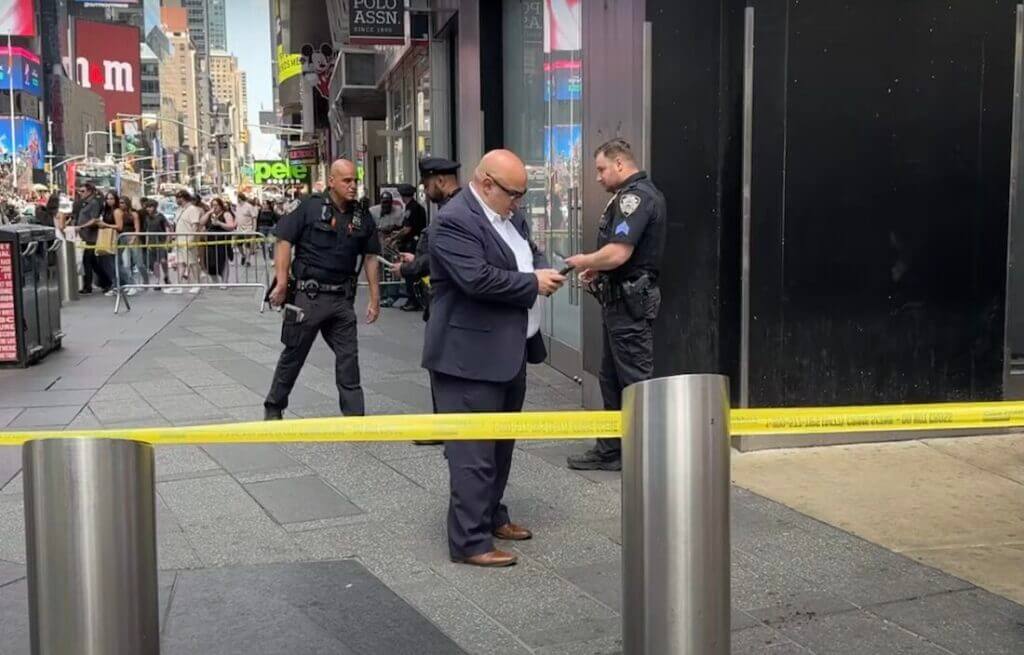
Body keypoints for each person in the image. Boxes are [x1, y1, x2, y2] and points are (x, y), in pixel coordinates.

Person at [424, 149, 566, 567]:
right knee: (472, 453)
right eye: (512, 193)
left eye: (522, 194)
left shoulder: (510, 216)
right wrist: (531, 283)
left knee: (500, 446)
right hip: (467, 358)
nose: (519, 202)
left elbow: (529, 253)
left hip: (510, 353)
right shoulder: (453, 221)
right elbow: (477, 279)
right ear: (486, 184)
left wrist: (545, 272)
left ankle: (490, 515)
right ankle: (469, 541)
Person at [565, 139, 666, 471]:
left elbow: (619, 252)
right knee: (611, 379)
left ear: (621, 164)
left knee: (636, 384)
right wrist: (599, 267)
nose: (598, 177)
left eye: (601, 169)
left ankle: (647, 459)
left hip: (628, 306)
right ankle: (612, 450)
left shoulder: (635, 198)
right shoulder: (628, 197)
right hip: (620, 303)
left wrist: (586, 260)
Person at [264, 159, 381, 420]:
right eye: (346, 181)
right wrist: (282, 282)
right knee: (294, 355)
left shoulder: (361, 215)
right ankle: (274, 407)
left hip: (341, 300)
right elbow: (283, 240)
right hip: (309, 297)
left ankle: (354, 417)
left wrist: (375, 298)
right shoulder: (310, 207)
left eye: (355, 181)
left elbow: (371, 256)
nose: (352, 186)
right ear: (332, 181)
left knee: (349, 358)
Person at [390, 158, 463, 321]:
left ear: (441, 181)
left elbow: (441, 257)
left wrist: (405, 269)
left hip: (452, 303)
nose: (427, 195)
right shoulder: (455, 206)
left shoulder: (453, 212)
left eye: (427, 186)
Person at [75, 183, 112, 294]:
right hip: (84, 236)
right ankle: (103, 283)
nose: (80, 193)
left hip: (91, 236)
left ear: (89, 191)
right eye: (79, 191)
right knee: (91, 262)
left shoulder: (94, 203)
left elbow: (95, 219)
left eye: (82, 191)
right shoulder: (85, 203)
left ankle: (95, 284)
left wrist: (82, 226)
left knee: (88, 260)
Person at [102, 191, 136, 296]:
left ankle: (131, 284)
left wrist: (105, 224)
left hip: (118, 238)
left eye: (112, 198)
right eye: (107, 199)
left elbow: (119, 227)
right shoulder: (107, 211)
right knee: (112, 264)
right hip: (110, 238)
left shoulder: (117, 211)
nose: (109, 201)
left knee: (118, 263)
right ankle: (117, 285)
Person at [173, 190, 204, 294]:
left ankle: (197, 284)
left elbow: (195, 226)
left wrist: (191, 240)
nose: (176, 200)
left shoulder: (192, 209)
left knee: (192, 263)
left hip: (188, 241)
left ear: (183, 198)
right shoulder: (180, 210)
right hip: (180, 241)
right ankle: (179, 284)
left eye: (178, 197)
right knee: (181, 263)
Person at [201, 197, 237, 284]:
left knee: (223, 263)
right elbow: (201, 222)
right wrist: (209, 212)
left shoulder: (226, 214)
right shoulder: (210, 214)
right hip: (210, 243)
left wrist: (219, 223)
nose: (215, 207)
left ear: (221, 206)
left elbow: (231, 226)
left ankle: (224, 282)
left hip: (222, 242)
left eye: (216, 205)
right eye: (213, 205)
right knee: (210, 264)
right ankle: (215, 281)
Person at [141, 198, 172, 289]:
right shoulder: (147, 218)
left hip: (161, 241)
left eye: (151, 207)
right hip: (152, 242)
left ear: (155, 207)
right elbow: (147, 230)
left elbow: (167, 228)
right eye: (147, 207)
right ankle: (157, 281)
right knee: (155, 263)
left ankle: (166, 276)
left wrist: (167, 241)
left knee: (163, 260)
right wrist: (147, 242)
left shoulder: (161, 216)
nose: (149, 209)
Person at [119, 196, 146, 288]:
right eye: (120, 203)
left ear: (127, 203)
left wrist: (134, 238)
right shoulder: (119, 214)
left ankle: (146, 280)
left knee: (139, 263)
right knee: (126, 263)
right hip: (123, 238)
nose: (121, 204)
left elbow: (137, 228)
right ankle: (131, 284)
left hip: (133, 238)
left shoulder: (134, 214)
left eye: (122, 202)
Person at [235, 193, 259, 265]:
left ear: (240, 198)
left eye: (238, 198)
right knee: (238, 244)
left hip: (248, 229)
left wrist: (254, 229)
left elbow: (254, 218)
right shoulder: (237, 206)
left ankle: (248, 260)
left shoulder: (249, 206)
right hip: (239, 229)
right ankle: (243, 255)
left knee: (247, 245)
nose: (237, 199)